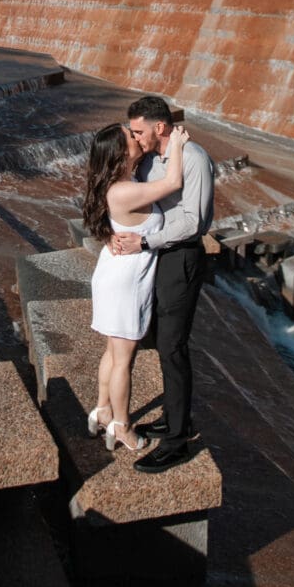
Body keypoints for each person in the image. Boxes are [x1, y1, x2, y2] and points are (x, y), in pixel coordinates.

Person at [113, 96, 214, 474]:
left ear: (160, 127)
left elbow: (193, 222)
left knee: (173, 348)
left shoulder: (193, 159)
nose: (136, 138)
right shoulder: (150, 159)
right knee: (157, 338)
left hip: (180, 259)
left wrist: (144, 242)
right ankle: (174, 418)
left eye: (139, 131)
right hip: (154, 256)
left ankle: (177, 441)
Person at [83, 122, 190, 452]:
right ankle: (122, 427)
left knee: (113, 351)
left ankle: (103, 410)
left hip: (116, 273)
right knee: (124, 360)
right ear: (120, 152)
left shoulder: (123, 182)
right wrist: (178, 144)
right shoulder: (122, 190)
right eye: (131, 136)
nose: (137, 136)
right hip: (125, 282)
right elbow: (173, 182)